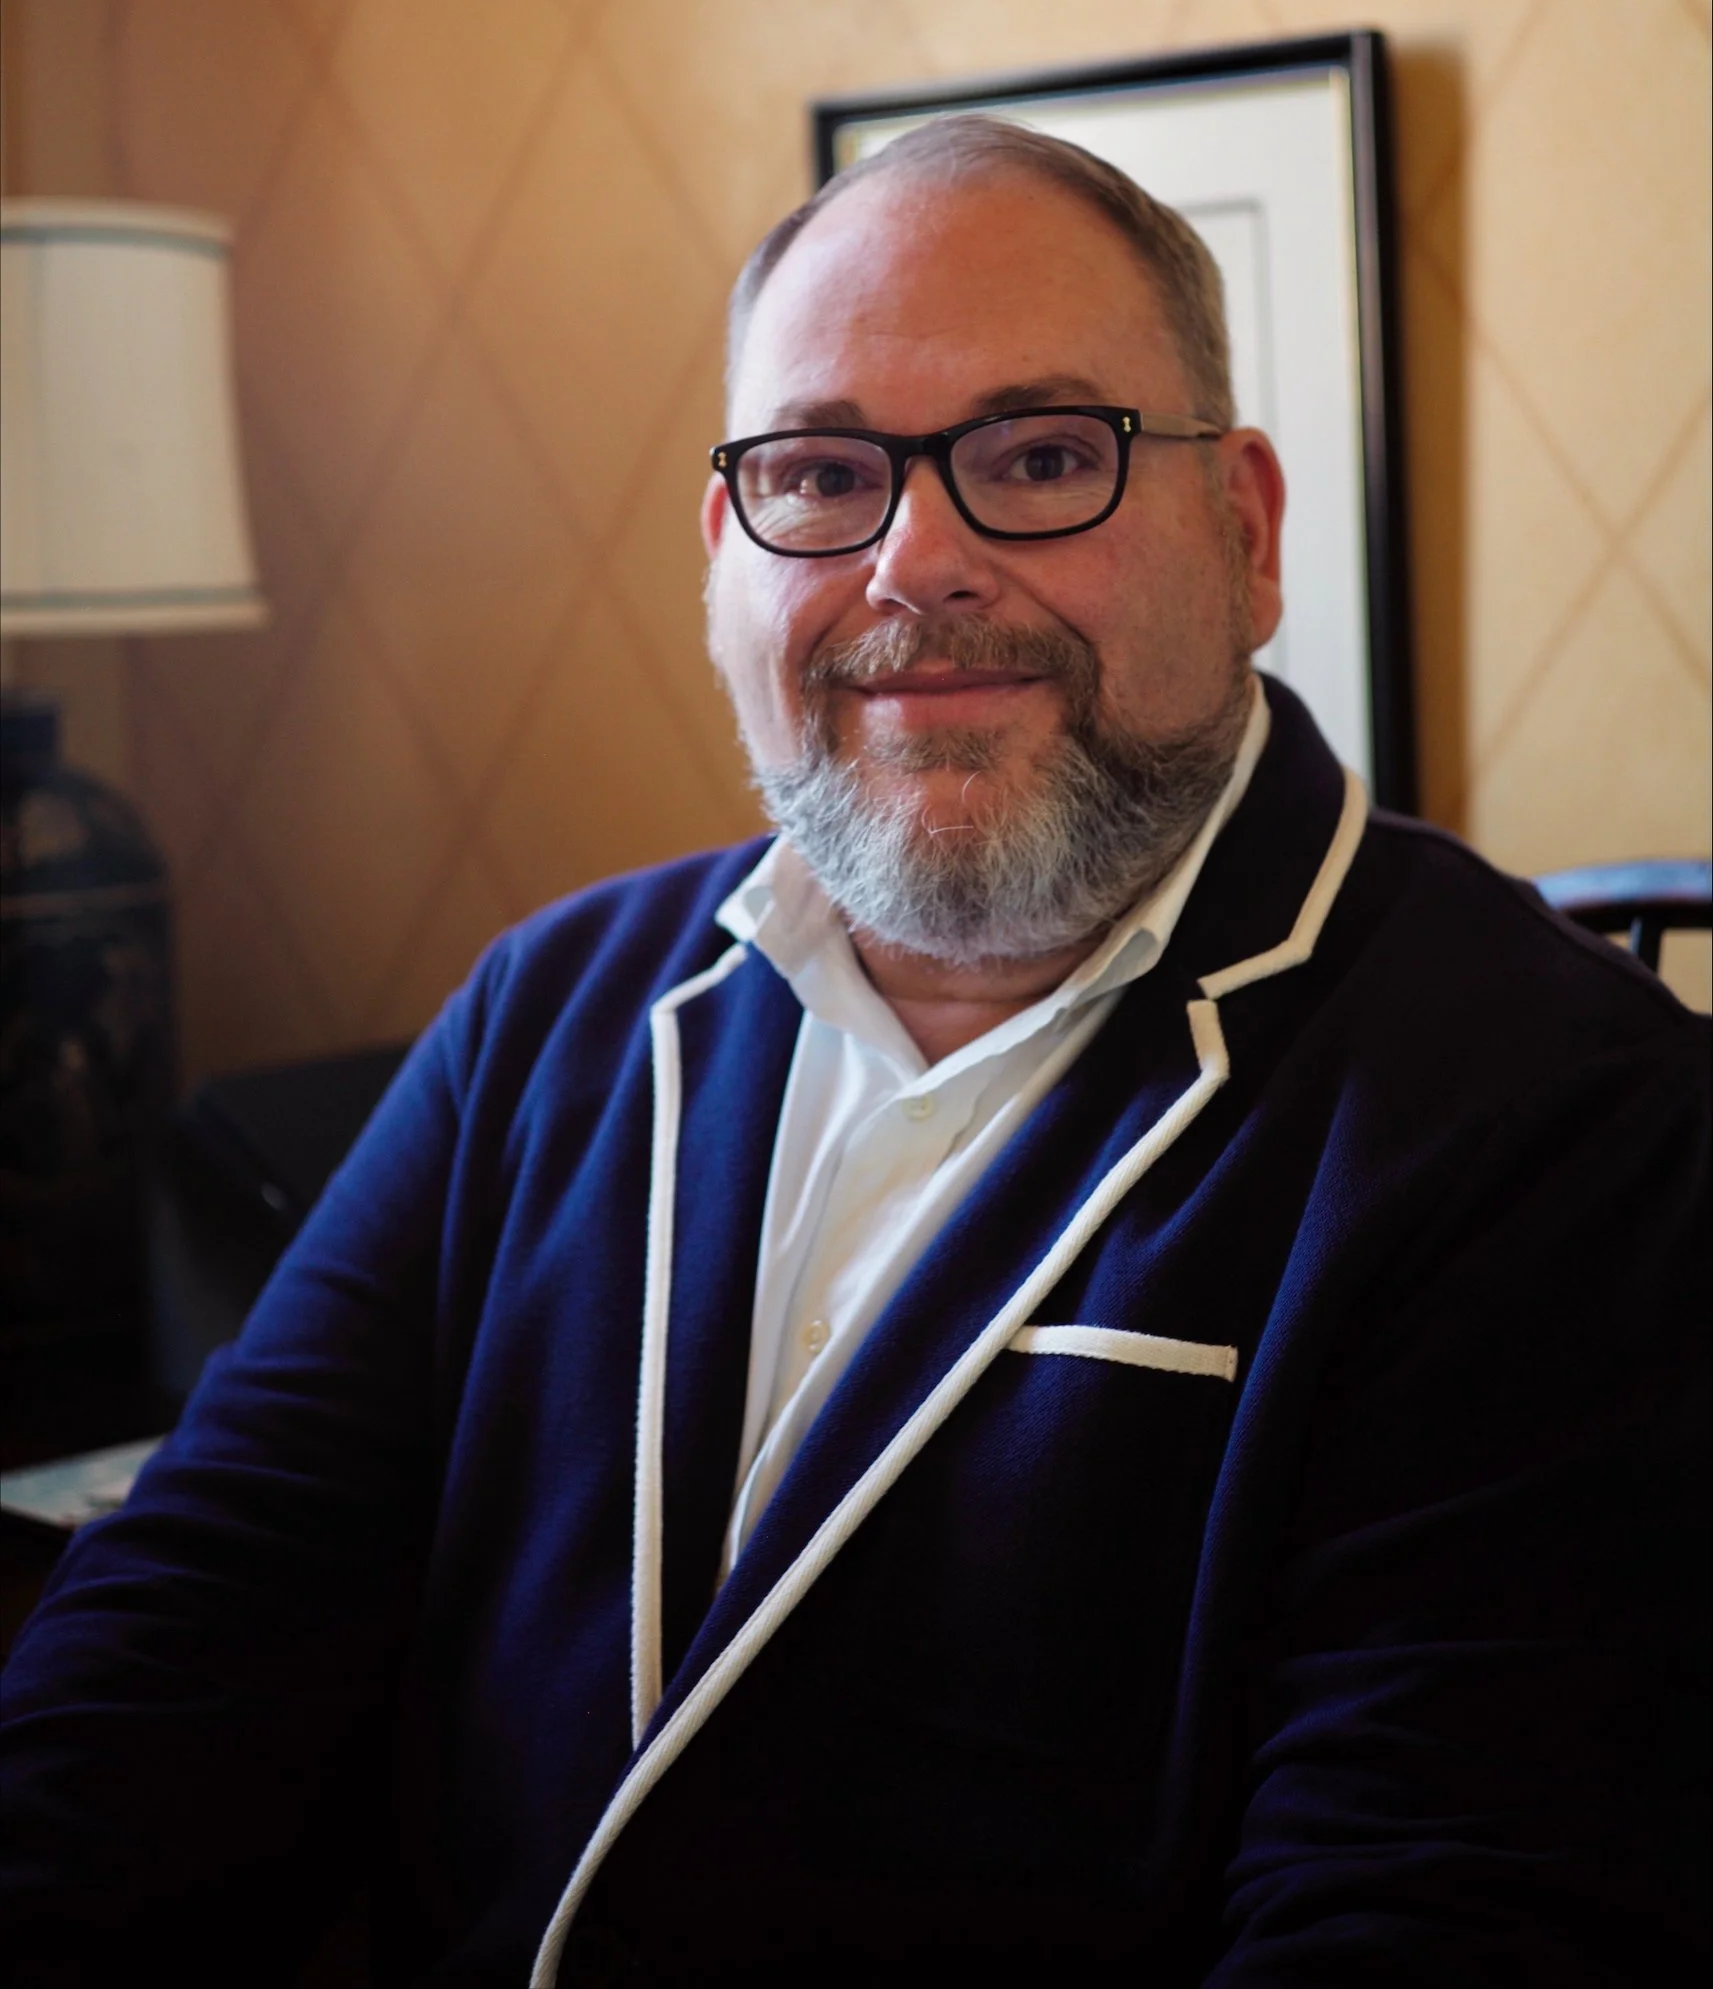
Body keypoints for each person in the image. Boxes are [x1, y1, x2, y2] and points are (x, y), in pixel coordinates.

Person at [3, 119, 1706, 1988]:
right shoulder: (550, 1011)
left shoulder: (1568, 1122)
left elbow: (1431, 1908)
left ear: (1248, 531)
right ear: (726, 556)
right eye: (822, 474)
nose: (919, 560)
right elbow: (189, 1626)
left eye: (1043, 457)